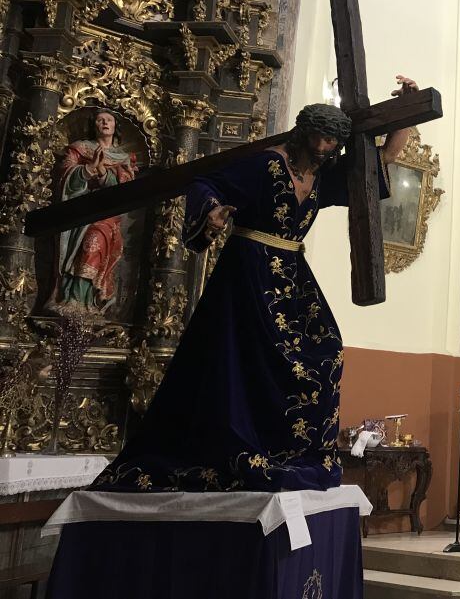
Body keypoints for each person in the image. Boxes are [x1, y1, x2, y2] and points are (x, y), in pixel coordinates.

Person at [94, 76, 418, 492]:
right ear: (302, 135)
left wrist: (405, 116)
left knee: (326, 347)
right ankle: (242, 448)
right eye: (317, 142)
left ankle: (291, 450)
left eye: (331, 147)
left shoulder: (323, 175)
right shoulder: (265, 165)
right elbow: (206, 182)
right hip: (249, 269)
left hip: (292, 274)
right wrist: (210, 213)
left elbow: (380, 164)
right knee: (248, 356)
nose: (322, 152)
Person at [51, 110, 138, 314]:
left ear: (116, 126)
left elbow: (126, 190)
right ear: (94, 125)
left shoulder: (124, 158)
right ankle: (72, 297)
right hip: (80, 210)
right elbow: (65, 176)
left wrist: (102, 172)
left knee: (95, 241)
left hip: (108, 215)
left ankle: (86, 301)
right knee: (83, 245)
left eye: (109, 120)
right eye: (100, 120)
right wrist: (88, 168)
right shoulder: (81, 148)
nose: (105, 123)